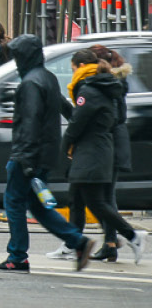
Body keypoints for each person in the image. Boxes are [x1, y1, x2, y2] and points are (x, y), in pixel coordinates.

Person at [0, 34, 93, 272]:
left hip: (27, 155)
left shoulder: (30, 83)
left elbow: (30, 122)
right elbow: (66, 109)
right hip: (46, 154)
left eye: (17, 56)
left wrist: (24, 159)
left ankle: (17, 256)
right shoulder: (47, 78)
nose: (15, 61)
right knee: (38, 206)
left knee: (14, 202)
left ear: (25, 56)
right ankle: (78, 241)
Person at [43, 48, 148, 265]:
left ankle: (131, 236)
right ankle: (75, 243)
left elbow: (77, 124)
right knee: (79, 198)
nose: (71, 75)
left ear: (81, 67)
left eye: (72, 69)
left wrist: (63, 148)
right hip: (93, 150)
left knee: (96, 201)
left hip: (93, 151)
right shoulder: (100, 86)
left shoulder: (90, 89)